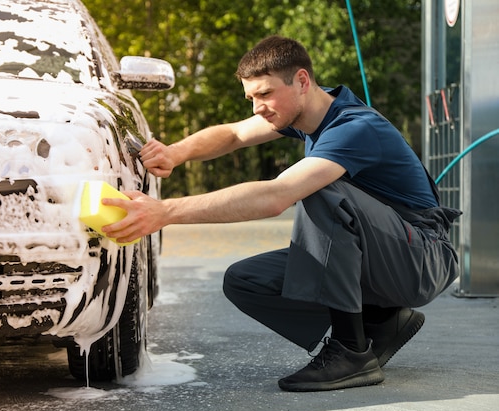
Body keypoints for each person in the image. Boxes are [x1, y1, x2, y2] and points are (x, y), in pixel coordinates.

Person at [102, 35, 461, 392]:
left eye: (265, 94)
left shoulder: (354, 127)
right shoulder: (305, 114)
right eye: (251, 97)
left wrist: (165, 211)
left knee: (317, 187)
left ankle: (351, 351)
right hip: (389, 254)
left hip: (422, 258)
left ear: (302, 81)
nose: (258, 107)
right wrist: (175, 153)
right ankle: (381, 321)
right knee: (246, 280)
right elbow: (234, 134)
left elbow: (276, 195)